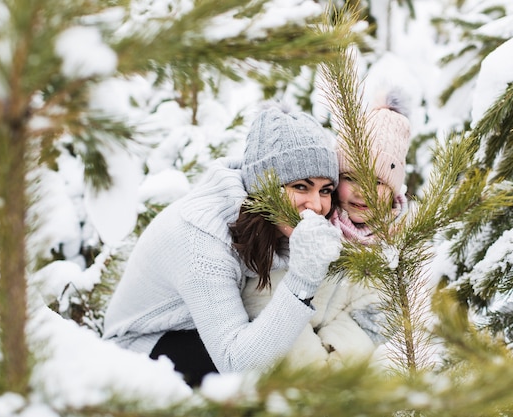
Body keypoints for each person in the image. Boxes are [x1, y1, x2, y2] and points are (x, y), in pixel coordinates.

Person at [102, 104, 343, 387]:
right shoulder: (203, 237)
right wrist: (303, 278)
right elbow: (237, 364)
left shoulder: (271, 218)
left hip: (204, 333)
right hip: (141, 350)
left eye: (325, 190)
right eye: (301, 186)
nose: (316, 205)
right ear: (263, 185)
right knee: (268, 385)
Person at [243, 88, 412, 368]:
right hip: (288, 355)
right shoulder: (306, 222)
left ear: (394, 190)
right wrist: (314, 365)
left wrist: (335, 359)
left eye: (378, 182)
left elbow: (374, 315)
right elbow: (263, 297)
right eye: (351, 177)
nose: (364, 192)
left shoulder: (394, 243)